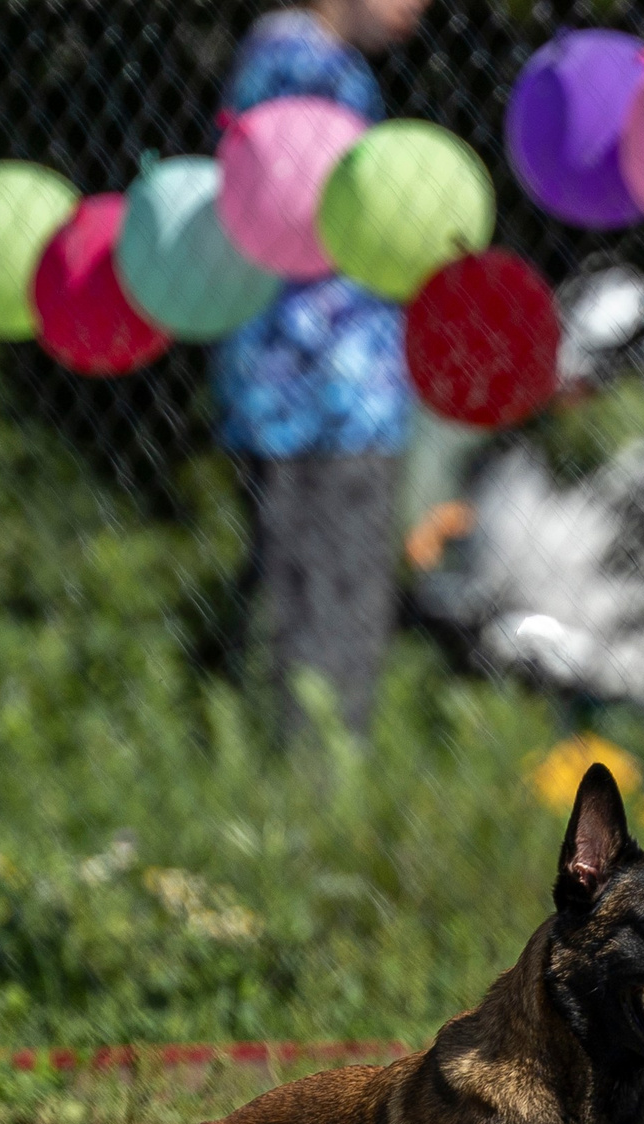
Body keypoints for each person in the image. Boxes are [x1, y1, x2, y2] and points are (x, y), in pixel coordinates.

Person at [215, 0, 431, 741]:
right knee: (335, 614)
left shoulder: (281, 56)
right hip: (332, 384)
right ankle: (319, 799)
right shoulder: (311, 64)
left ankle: (298, 786)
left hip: (292, 383)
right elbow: (306, 214)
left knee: (297, 609)